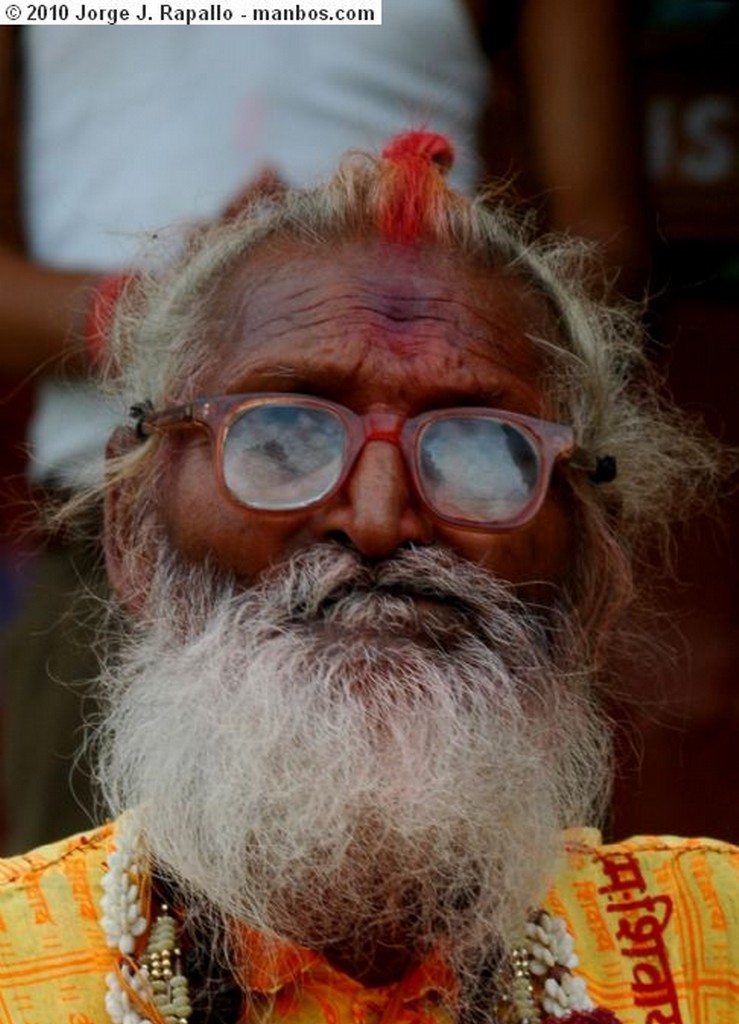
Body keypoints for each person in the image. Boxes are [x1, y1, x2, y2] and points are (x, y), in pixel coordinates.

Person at [0, 132, 733, 1024]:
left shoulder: (713, 951)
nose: (379, 519)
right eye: (282, 438)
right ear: (135, 532)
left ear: (593, 568)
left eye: (476, 449)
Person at [0, 1, 649, 852]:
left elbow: (601, 244)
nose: (367, 518)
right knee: (86, 950)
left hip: (462, 550)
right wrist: (170, 318)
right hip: (119, 537)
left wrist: (427, 327)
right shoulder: (135, 518)